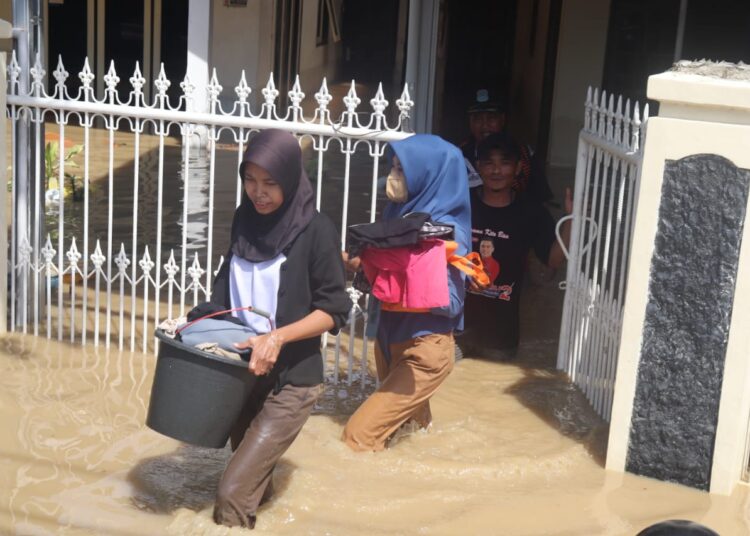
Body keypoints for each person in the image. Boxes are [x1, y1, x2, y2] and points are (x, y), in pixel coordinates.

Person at [209, 129, 352, 529]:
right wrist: (194, 325)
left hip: (292, 381)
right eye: (250, 180)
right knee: (255, 488)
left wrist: (277, 337)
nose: (259, 192)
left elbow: (334, 310)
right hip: (243, 373)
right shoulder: (244, 218)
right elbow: (227, 288)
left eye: (270, 183)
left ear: (290, 178)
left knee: (231, 493)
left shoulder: (317, 230)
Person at [342, 134, 471, 451]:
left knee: (357, 438)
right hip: (390, 343)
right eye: (394, 167)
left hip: (424, 351)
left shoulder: (446, 230)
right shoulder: (396, 216)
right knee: (408, 439)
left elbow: (451, 303)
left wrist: (395, 269)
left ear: (427, 176)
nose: (393, 177)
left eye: (403, 171)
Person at [458, 132, 571, 361]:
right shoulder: (461, 204)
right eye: (489, 163)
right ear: (478, 167)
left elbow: (553, 260)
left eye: (505, 163)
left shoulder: (532, 212)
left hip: (500, 338)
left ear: (518, 168)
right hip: (454, 328)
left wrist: (572, 219)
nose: (496, 171)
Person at [460, 88, 554, 204]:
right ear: (470, 122)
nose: (485, 125)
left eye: (491, 118)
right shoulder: (458, 155)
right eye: (478, 119)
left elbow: (540, 199)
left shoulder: (523, 154)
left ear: (502, 119)